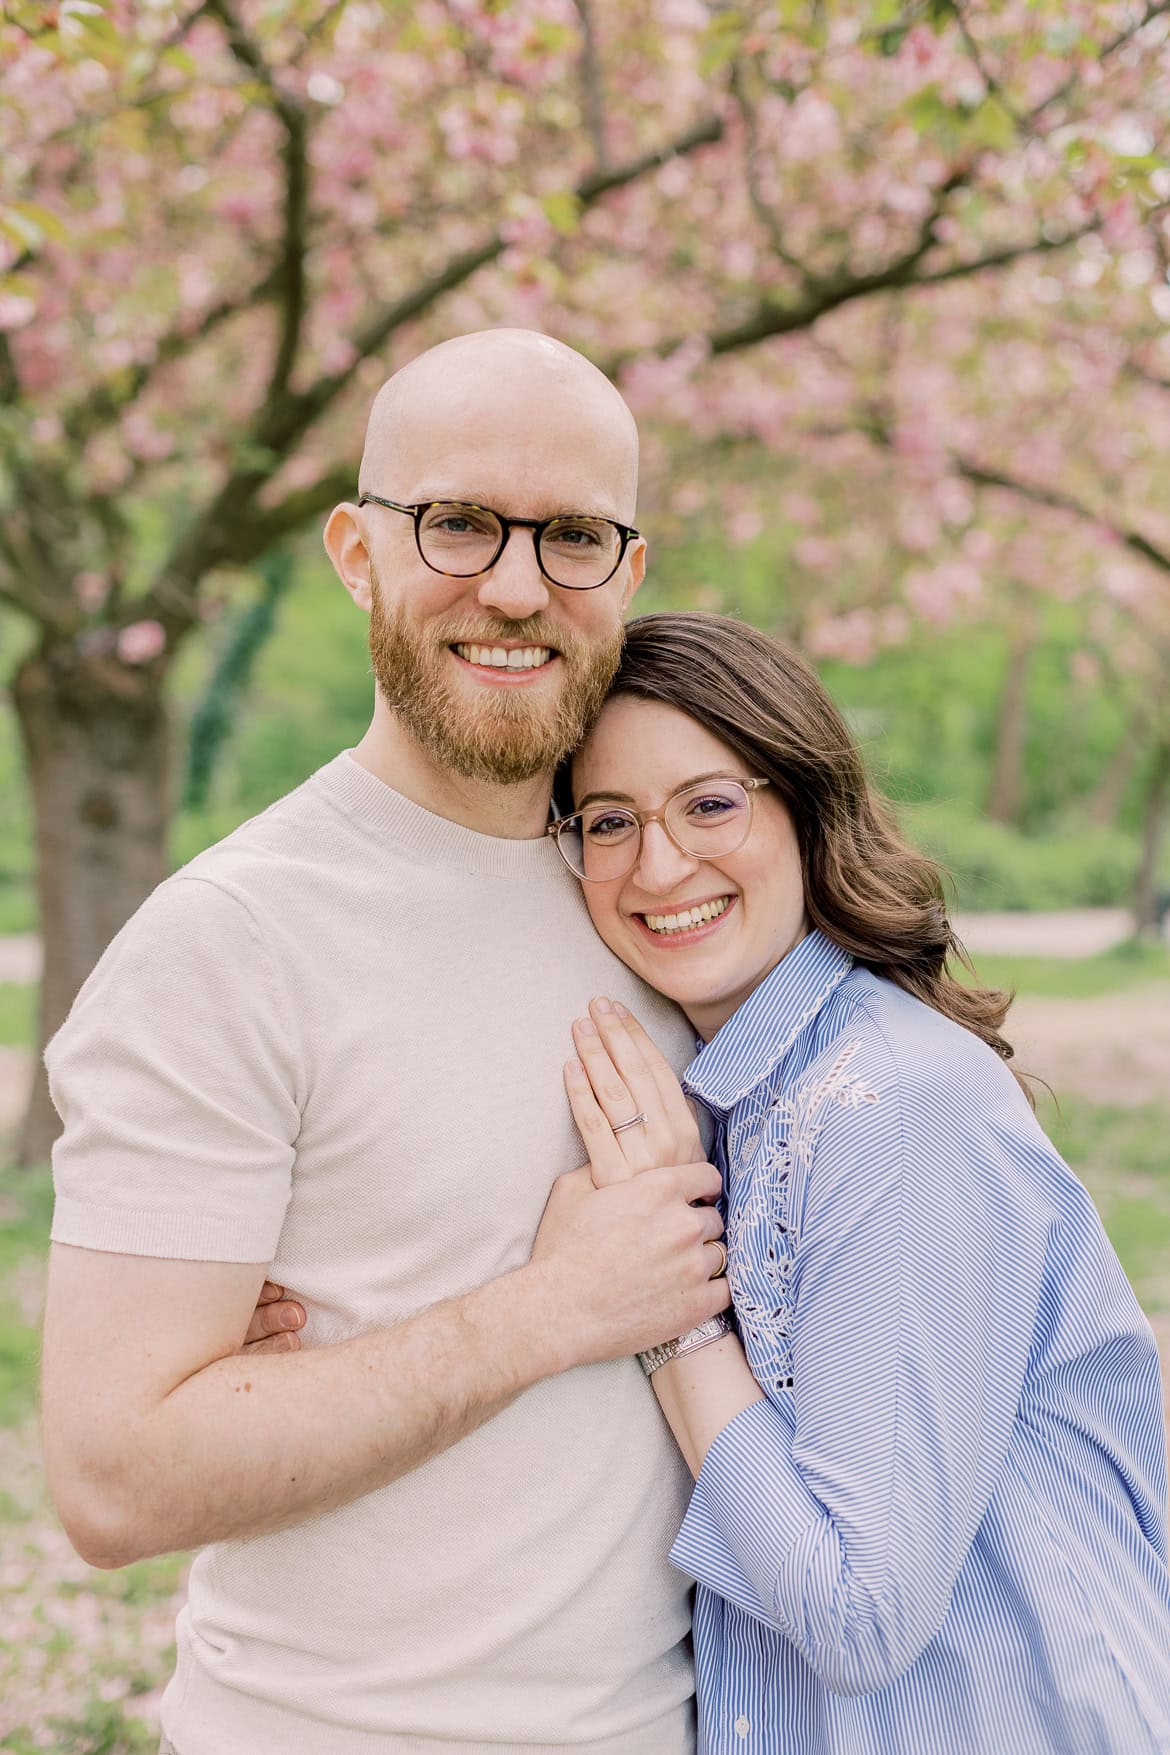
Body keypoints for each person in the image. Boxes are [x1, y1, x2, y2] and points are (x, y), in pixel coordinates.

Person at [39, 332, 732, 1755]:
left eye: (574, 536)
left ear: (630, 572)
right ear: (356, 551)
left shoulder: (669, 893)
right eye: (460, 522)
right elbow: (113, 1480)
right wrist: (551, 1304)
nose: (518, 585)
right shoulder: (227, 944)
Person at [545, 609, 1170, 1755]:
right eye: (609, 820)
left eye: (711, 804)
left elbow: (860, 1615)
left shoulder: (887, 1102)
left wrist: (671, 1319)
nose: (659, 864)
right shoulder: (724, 1098)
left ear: (804, 805)